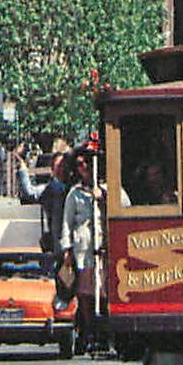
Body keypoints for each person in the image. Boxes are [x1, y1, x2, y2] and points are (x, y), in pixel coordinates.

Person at [59, 151, 102, 353]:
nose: (84, 167)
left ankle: (106, 331)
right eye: (79, 165)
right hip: (83, 249)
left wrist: (104, 196)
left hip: (104, 247)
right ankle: (90, 329)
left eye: (86, 163)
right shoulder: (74, 194)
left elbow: (124, 206)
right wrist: (66, 250)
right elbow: (66, 223)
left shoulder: (108, 187)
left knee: (104, 288)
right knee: (85, 292)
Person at [39, 153, 69, 255]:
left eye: (64, 165)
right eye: (58, 165)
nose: (62, 169)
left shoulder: (73, 187)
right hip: (59, 240)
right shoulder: (52, 188)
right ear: (52, 169)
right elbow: (30, 193)